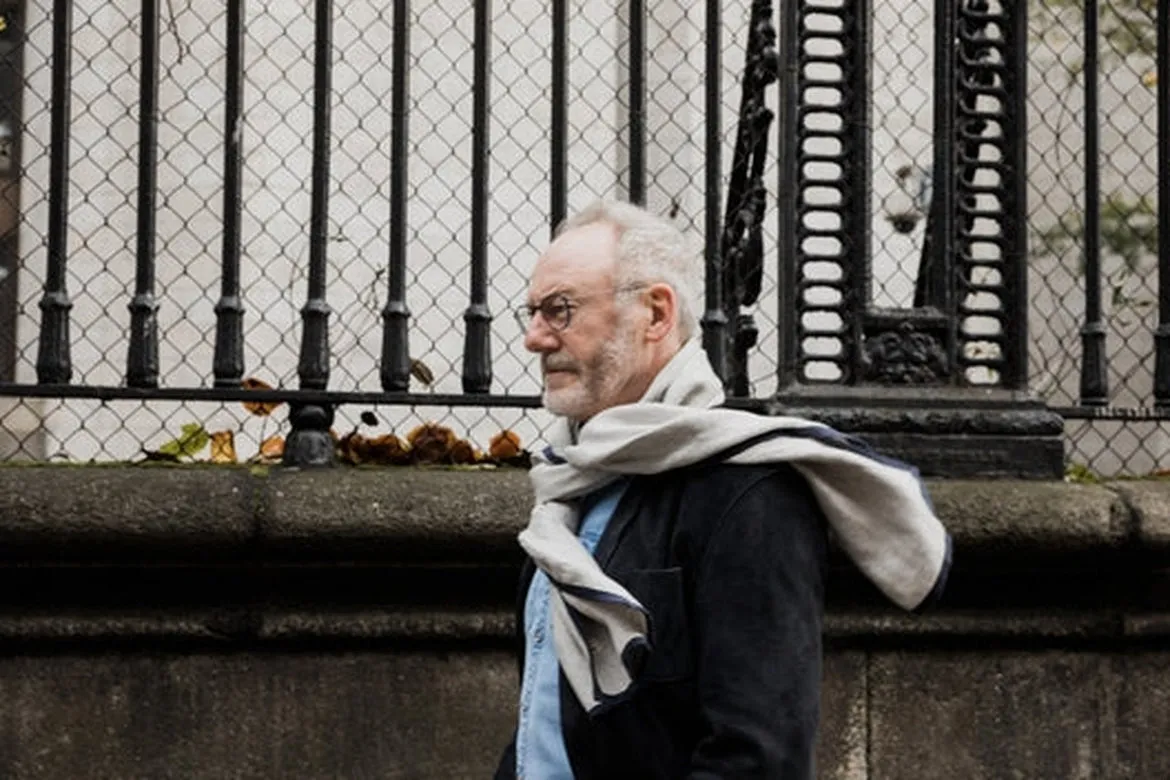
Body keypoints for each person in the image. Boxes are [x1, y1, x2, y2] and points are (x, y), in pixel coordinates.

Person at [494, 200, 950, 779]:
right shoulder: (567, 484)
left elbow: (758, 757)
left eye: (559, 311)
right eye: (531, 313)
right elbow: (542, 725)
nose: (535, 338)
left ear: (655, 314)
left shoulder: (747, 491)